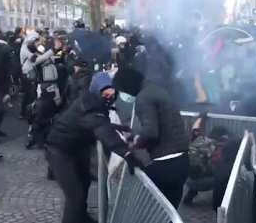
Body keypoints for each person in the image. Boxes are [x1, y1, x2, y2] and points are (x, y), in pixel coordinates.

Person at [46, 72, 137, 223]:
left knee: (84, 183)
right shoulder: (89, 105)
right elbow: (101, 129)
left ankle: (81, 218)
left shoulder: (94, 102)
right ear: (96, 91)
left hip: (77, 148)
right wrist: (126, 153)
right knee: (74, 196)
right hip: (59, 151)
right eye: (105, 93)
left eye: (111, 93)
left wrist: (118, 127)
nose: (109, 97)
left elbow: (98, 123)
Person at [113, 67, 189, 208]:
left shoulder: (143, 98)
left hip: (165, 163)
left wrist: (134, 144)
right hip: (182, 161)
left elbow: (151, 132)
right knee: (170, 211)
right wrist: (137, 136)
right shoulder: (156, 90)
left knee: (148, 209)